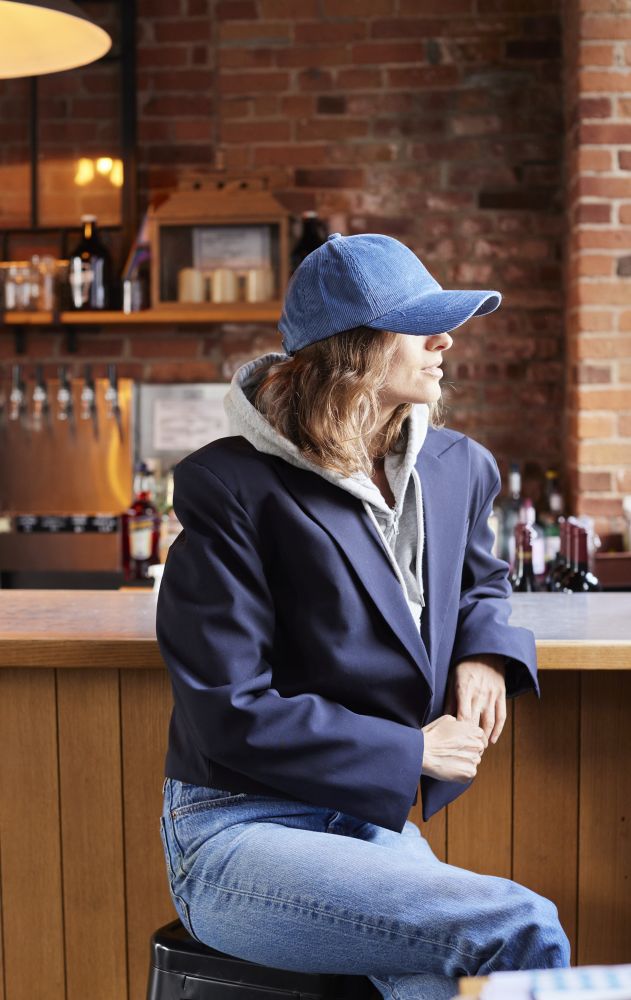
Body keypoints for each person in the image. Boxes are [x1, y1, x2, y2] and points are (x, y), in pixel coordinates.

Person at [156, 233, 571, 1000]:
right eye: (420, 323)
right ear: (353, 349)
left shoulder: (458, 468)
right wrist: (411, 749)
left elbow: (482, 581)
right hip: (237, 831)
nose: (445, 340)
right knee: (519, 927)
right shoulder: (229, 486)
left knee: (438, 983)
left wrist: (486, 652)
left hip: (362, 823)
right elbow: (225, 709)